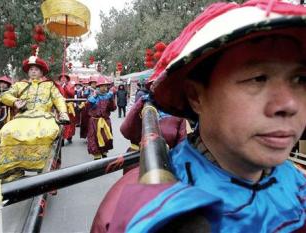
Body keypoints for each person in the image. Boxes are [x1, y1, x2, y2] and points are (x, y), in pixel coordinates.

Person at [92, 1, 306, 232]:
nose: (289, 105)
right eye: (258, 78)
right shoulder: (134, 212)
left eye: (301, 80)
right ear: (196, 96)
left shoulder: (300, 185)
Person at [0, 53, 69, 182]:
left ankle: (46, 172)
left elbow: (59, 99)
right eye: (31, 69)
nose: (33, 71)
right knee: (7, 132)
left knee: (46, 133)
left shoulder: (49, 85)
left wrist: (63, 112)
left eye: (36, 69)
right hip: (22, 117)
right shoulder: (20, 85)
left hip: (44, 117)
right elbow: (5, 95)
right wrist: (14, 101)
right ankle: (13, 170)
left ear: (41, 71)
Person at [87, 76, 116, 160]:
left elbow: (113, 108)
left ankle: (104, 153)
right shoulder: (93, 95)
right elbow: (88, 106)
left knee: (106, 138)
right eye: (102, 86)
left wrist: (111, 99)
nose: (105, 88)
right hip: (94, 122)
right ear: (98, 87)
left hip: (105, 121)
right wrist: (94, 97)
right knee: (94, 139)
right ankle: (97, 156)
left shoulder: (108, 96)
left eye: (106, 86)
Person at [56, 73, 76, 144]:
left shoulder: (71, 86)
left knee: (69, 122)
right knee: (61, 121)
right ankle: (62, 138)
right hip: (60, 107)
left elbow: (72, 94)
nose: (63, 79)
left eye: (65, 78)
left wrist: (65, 87)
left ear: (67, 80)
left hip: (69, 107)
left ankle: (69, 137)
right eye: (61, 78)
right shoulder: (57, 86)